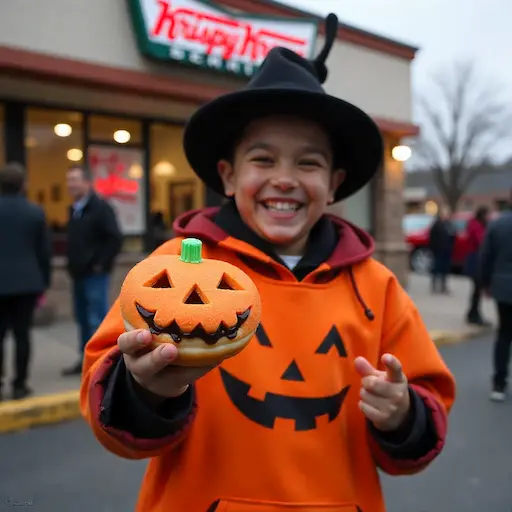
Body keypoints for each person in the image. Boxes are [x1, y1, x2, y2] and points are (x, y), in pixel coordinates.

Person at [79, 14, 455, 512]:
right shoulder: (172, 270)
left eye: (308, 163)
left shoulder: (375, 285)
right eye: (262, 160)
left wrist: (404, 413)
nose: (285, 179)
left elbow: (427, 405)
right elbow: (108, 410)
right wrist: (145, 390)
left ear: (335, 183)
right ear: (228, 176)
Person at [62, 165, 123, 376]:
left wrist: (100, 264)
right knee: (81, 318)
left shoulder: (100, 208)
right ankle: (85, 359)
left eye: (75, 180)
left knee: (95, 318)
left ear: (87, 183)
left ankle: (101, 363)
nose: (71, 185)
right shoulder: (74, 209)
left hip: (95, 275)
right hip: (78, 274)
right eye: (69, 180)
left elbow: (114, 238)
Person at [0, 162, 51, 399]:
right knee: (22, 335)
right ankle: (19, 384)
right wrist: (44, 282)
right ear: (23, 185)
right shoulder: (35, 212)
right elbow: (44, 251)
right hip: (28, 282)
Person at [480, 191, 512, 402]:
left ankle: (499, 383)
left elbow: (486, 255)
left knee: (504, 334)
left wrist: (485, 283)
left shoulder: (497, 224)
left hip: (503, 287)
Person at [465, 206, 491, 325]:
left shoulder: (477, 225)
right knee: (477, 288)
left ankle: (472, 313)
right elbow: (480, 241)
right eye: (487, 215)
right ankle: (473, 314)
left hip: (475, 258)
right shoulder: (476, 226)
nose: (488, 217)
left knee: (477, 289)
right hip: (475, 260)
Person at [428, 206, 454, 294]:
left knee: (445, 269)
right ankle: (434, 285)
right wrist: (434, 248)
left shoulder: (449, 225)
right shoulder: (436, 225)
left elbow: (453, 236)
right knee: (436, 268)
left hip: (447, 250)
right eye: (445, 214)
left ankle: (444, 286)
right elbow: (432, 238)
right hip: (438, 250)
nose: (446, 216)